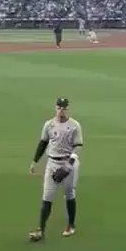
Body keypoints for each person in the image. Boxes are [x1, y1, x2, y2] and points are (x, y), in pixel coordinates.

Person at [28, 96, 83, 242]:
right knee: (47, 195)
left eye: (64, 108)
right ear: (55, 108)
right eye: (59, 108)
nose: (61, 111)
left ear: (68, 109)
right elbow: (43, 143)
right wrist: (34, 162)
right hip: (52, 163)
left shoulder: (74, 125)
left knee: (69, 193)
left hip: (69, 163)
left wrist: (69, 165)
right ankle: (41, 229)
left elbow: (78, 146)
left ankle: (71, 225)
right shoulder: (49, 125)